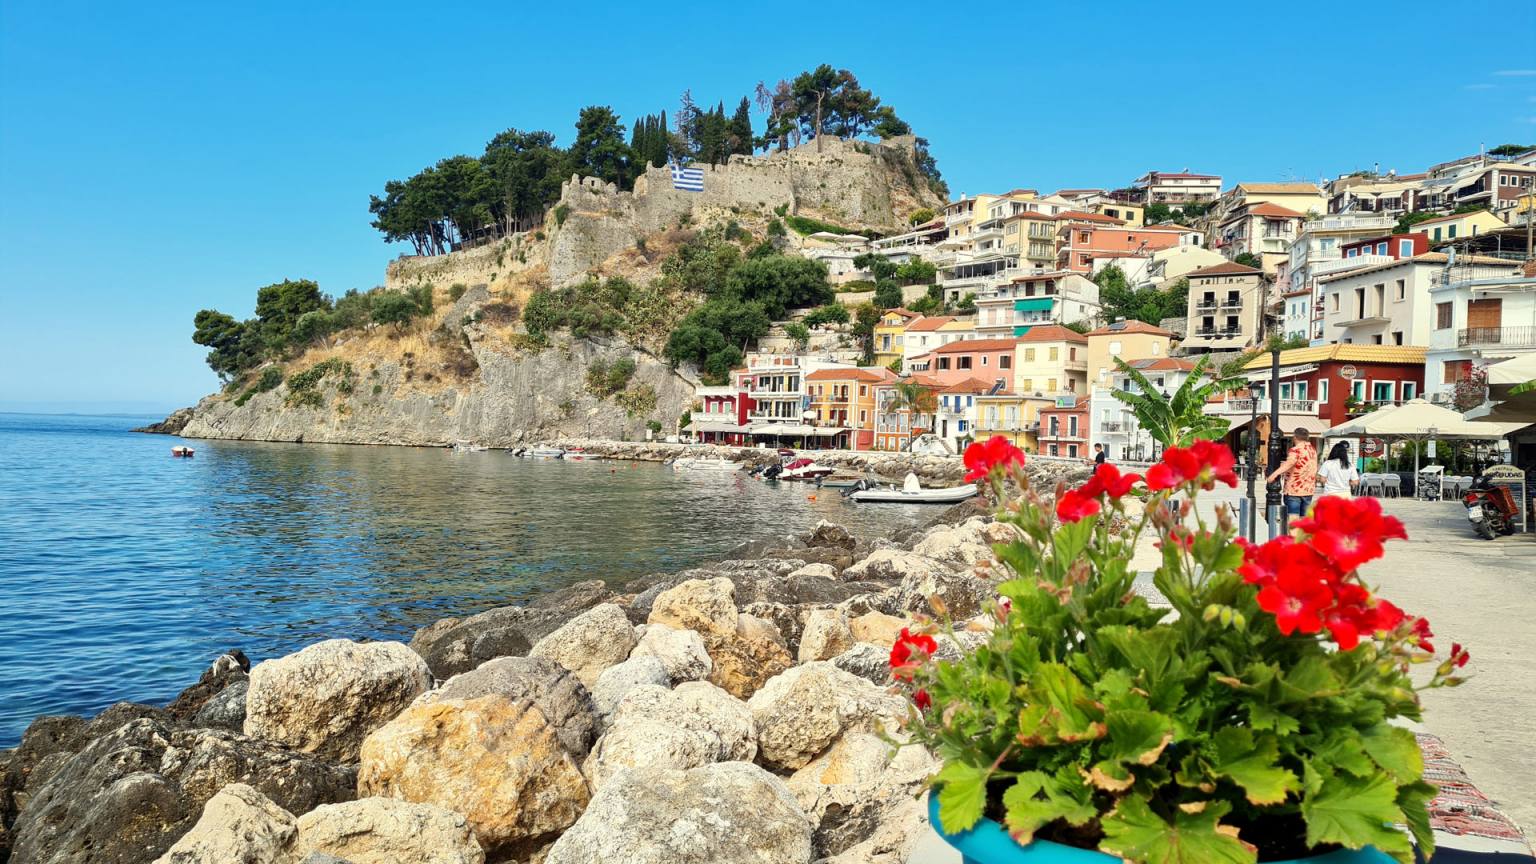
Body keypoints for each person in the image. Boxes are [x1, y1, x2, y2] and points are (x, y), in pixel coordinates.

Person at [1266, 427, 1319, 518]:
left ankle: (1293, 533)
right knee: (1304, 519)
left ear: (1295, 437)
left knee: (1293, 518)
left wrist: (1274, 474)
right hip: (1308, 489)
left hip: (1294, 489)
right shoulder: (1312, 450)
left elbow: (1290, 463)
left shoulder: (1296, 450)